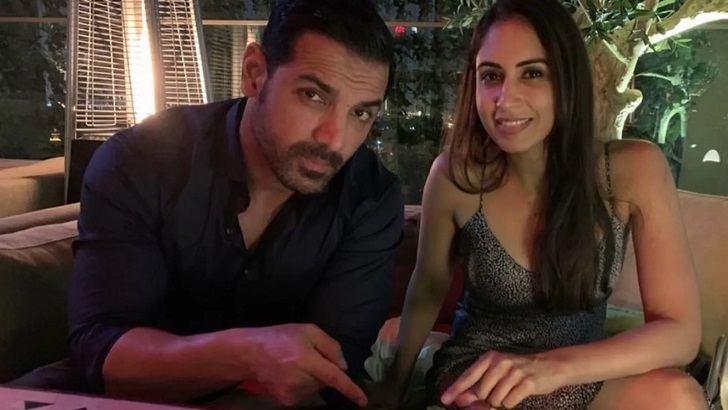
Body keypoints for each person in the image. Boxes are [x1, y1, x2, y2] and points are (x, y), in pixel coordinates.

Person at [56, 0, 401, 408]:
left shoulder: (369, 197)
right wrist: (248, 354)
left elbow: (328, 373)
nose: (334, 138)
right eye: (313, 95)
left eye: (360, 113)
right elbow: (104, 353)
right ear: (254, 73)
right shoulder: (142, 161)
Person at [365, 0, 708, 409]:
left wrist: (553, 368)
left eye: (532, 73)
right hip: (481, 373)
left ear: (566, 80)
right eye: (491, 76)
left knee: (679, 395)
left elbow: (680, 333)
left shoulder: (632, 169)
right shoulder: (456, 177)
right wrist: (395, 384)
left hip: (577, 370)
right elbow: (428, 287)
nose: (505, 98)